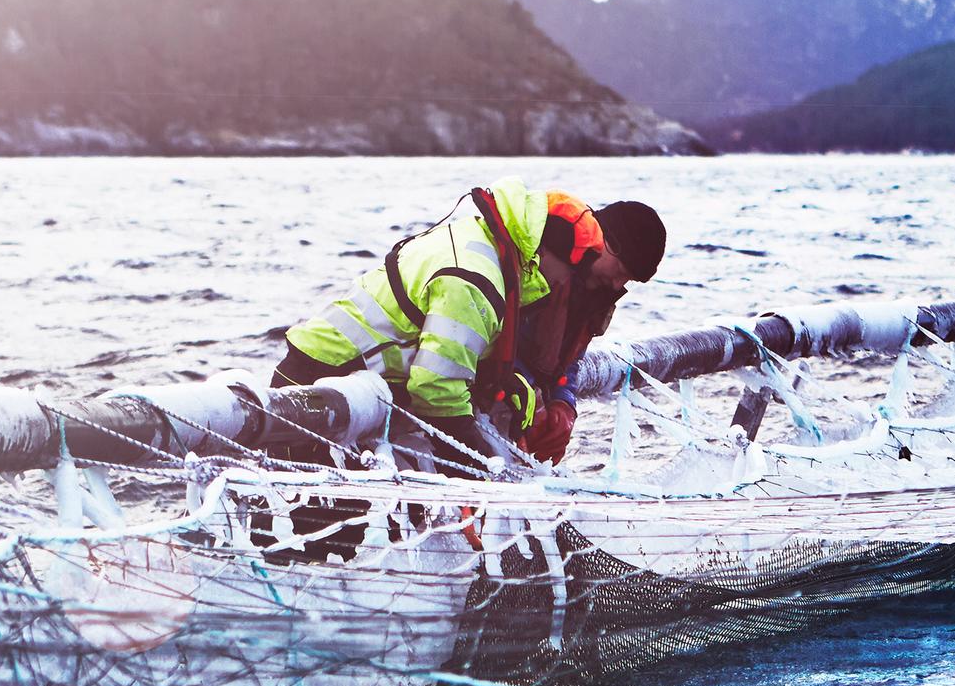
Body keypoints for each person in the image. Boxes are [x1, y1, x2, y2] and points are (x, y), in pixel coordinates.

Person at [273, 178, 665, 470]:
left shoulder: (507, 257)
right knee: (313, 521)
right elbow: (437, 391)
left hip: (374, 384)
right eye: (568, 272)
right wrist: (482, 470)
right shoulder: (476, 279)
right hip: (320, 380)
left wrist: (557, 402)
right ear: (543, 253)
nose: (563, 286)